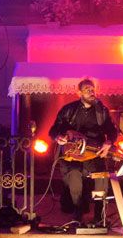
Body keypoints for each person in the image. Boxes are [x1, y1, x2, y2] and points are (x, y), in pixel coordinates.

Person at [49, 78, 117, 224]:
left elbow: (112, 130)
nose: (91, 92)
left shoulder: (101, 110)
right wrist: (58, 137)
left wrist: (109, 142)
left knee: (102, 177)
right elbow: (54, 130)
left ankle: (100, 215)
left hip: (94, 154)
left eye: (93, 89)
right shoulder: (68, 110)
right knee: (74, 175)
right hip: (73, 155)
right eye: (87, 89)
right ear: (79, 92)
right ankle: (78, 211)